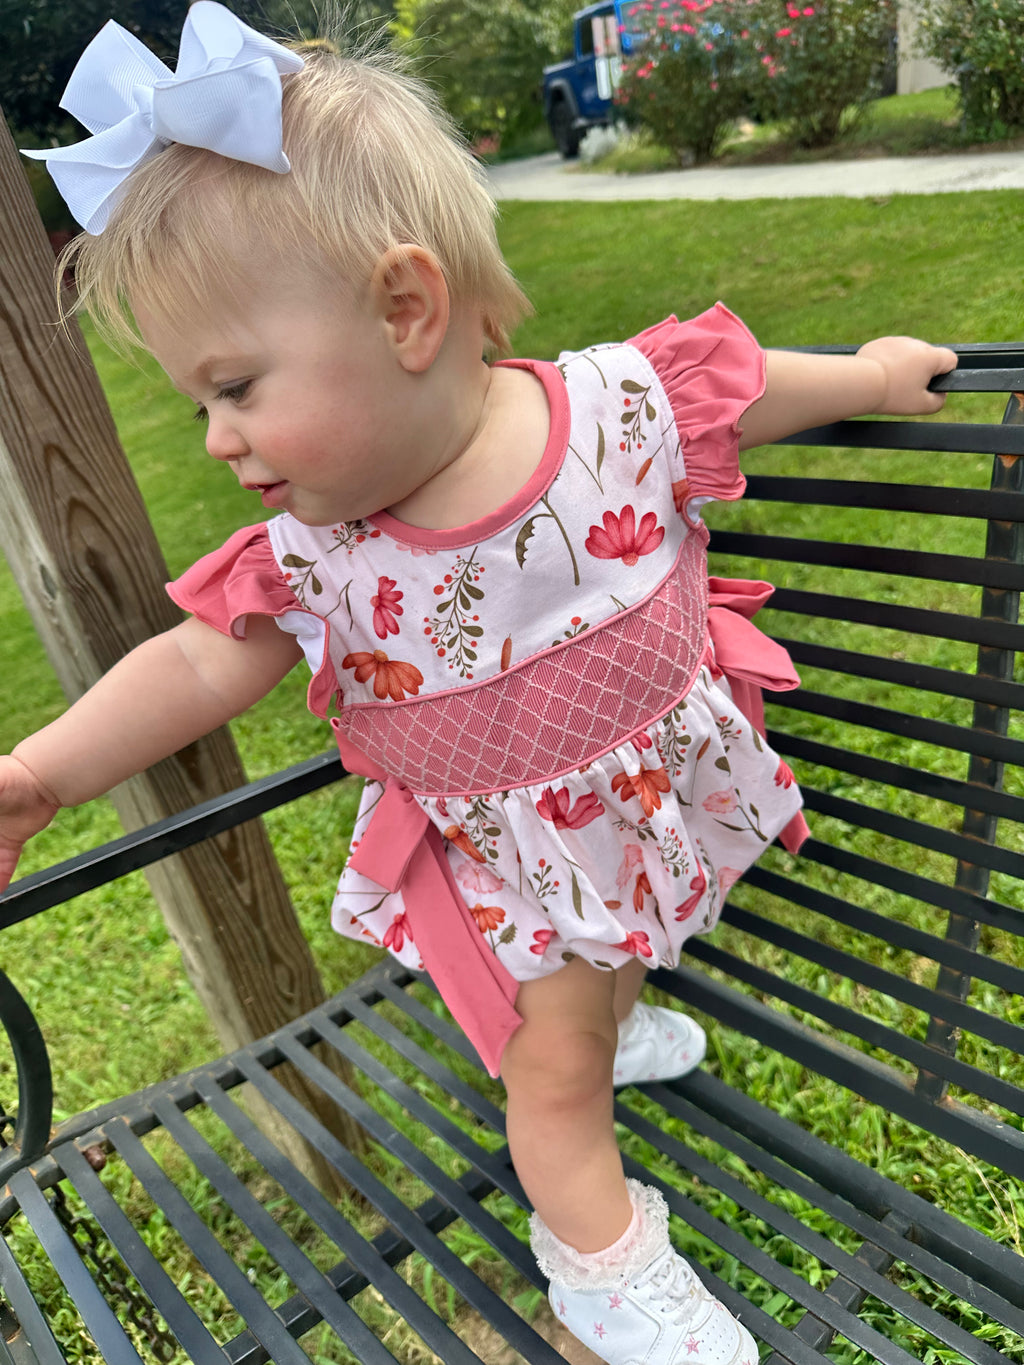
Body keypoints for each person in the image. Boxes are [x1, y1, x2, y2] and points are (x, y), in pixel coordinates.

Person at [5, 6, 956, 1362]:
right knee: (550, 1073)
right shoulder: (321, 554)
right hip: (507, 873)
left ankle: (615, 1025)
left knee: (612, 970)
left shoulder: (617, 407)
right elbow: (199, 660)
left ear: (405, 307)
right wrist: (43, 772)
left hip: (637, 806)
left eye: (233, 388)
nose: (216, 440)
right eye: (196, 406)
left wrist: (866, 372)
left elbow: (737, 398)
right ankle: (600, 1265)